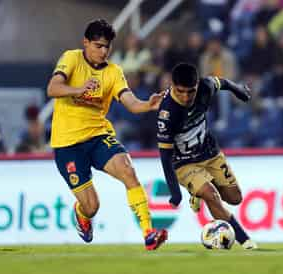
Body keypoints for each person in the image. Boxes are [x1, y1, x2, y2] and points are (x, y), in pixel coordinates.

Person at [47, 19, 167, 250]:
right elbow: (53, 88)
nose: (103, 51)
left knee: (127, 170)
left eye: (107, 47)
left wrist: (147, 105)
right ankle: (81, 214)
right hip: (67, 144)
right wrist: (78, 90)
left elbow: (129, 102)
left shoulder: (113, 72)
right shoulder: (71, 58)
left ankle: (148, 233)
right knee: (92, 207)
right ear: (86, 43)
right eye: (98, 46)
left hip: (98, 135)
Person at [156, 63, 257, 250]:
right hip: (183, 163)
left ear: (197, 85)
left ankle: (198, 193)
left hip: (210, 152)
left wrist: (238, 90)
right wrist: (175, 192)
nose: (186, 97)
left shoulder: (205, 86)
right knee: (211, 195)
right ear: (172, 85)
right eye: (181, 92)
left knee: (235, 198)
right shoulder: (167, 113)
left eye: (190, 92)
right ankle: (245, 241)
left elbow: (222, 82)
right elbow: (165, 156)